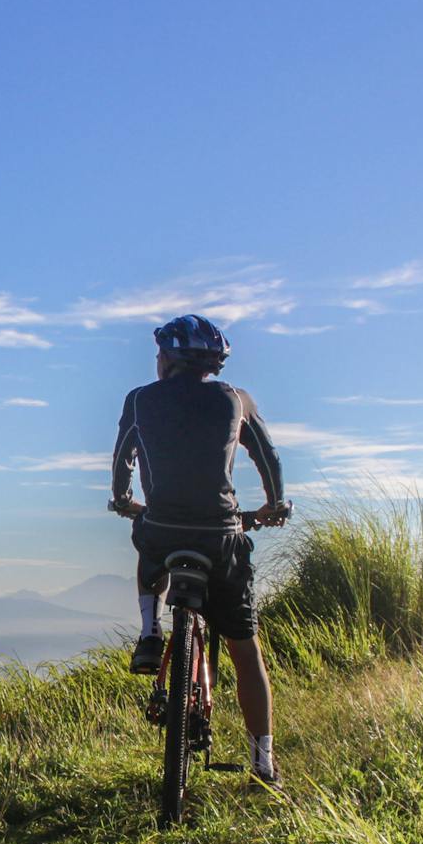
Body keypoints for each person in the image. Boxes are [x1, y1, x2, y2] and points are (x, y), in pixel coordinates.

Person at [108, 313, 290, 787]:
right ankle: (264, 765)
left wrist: (125, 501)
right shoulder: (236, 399)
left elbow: (123, 457)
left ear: (167, 357)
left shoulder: (140, 400)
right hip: (222, 536)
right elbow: (268, 458)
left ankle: (149, 631)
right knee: (245, 652)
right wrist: (274, 505)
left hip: (162, 529)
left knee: (146, 540)